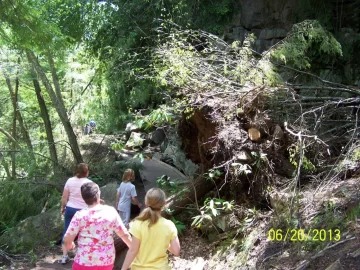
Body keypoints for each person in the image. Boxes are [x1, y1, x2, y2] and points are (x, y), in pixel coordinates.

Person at [63, 182, 132, 270]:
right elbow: (124, 234)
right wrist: (133, 248)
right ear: (98, 194)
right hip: (106, 261)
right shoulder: (110, 211)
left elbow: (67, 238)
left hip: (84, 261)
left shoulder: (79, 215)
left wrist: (69, 244)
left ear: (83, 198)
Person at [121, 188, 181, 270]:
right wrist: (164, 242)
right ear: (164, 204)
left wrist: (123, 268)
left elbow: (133, 251)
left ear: (146, 203)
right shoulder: (169, 225)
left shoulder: (138, 224)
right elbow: (176, 251)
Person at [60, 163, 93, 264]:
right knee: (85, 233)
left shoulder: (70, 181)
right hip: (84, 211)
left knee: (67, 232)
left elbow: (64, 197)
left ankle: (64, 256)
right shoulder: (89, 182)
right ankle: (83, 255)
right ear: (86, 172)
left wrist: (62, 207)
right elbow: (92, 198)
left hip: (70, 209)